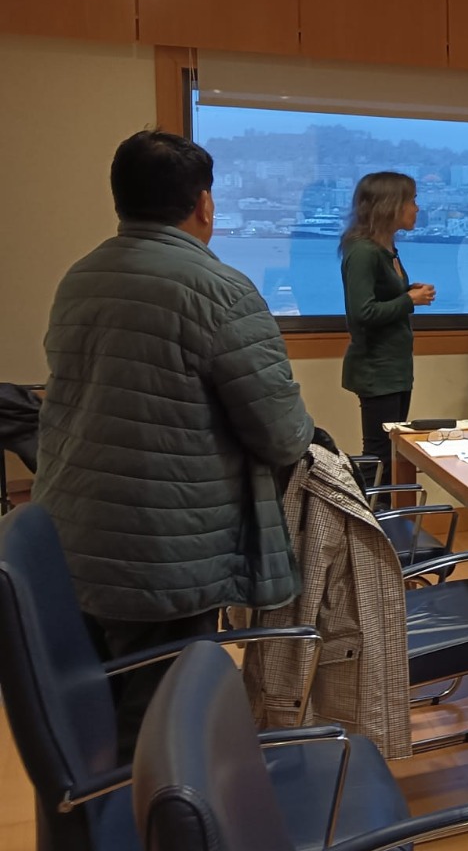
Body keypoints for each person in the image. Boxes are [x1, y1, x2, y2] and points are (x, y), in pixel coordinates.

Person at [33, 129, 314, 753]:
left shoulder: (81, 276)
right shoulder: (220, 290)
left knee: (100, 713)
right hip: (165, 547)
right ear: (204, 204)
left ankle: (101, 810)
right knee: (161, 729)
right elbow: (281, 433)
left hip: (73, 530)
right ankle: (149, 818)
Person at [340, 172, 434, 473]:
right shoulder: (363, 251)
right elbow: (362, 313)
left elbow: (382, 296)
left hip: (395, 367)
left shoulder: (385, 247)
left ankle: (385, 502)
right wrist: (409, 300)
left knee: (392, 450)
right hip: (377, 368)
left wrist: (406, 292)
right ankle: (368, 504)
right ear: (390, 205)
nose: (416, 208)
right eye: (412, 201)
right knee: (378, 454)